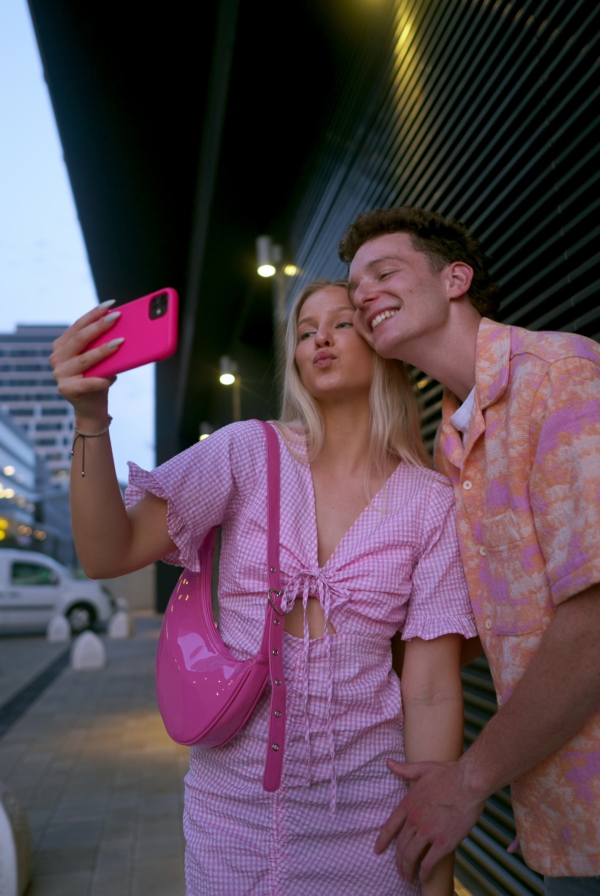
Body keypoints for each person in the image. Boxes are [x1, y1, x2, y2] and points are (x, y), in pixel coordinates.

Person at [50, 279, 476, 896]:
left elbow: (432, 693)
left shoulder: (431, 503)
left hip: (374, 818)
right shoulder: (246, 452)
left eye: (342, 324)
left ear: (384, 343)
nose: (320, 339)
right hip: (234, 818)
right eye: (305, 331)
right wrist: (91, 419)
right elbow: (105, 552)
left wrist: (435, 871)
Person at [341, 206, 600, 895]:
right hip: (562, 809)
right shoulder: (450, 445)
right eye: (353, 284)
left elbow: (594, 619)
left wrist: (469, 778)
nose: (360, 294)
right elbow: (491, 624)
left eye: (383, 272)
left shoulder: (560, 375)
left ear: (455, 278)